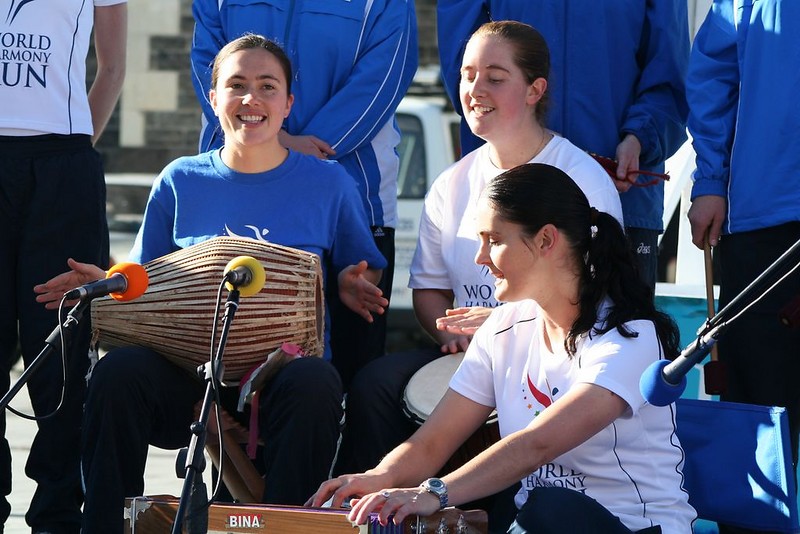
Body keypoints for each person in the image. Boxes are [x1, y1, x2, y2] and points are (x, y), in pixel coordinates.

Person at [34, 34, 388, 533]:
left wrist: (351, 282)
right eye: (236, 85)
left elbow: (362, 265)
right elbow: (143, 281)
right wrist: (105, 287)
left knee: (316, 383)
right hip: (188, 378)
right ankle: (106, 524)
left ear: (288, 104)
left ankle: (284, 524)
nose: (251, 99)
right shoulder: (181, 179)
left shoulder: (328, 183)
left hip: (278, 382)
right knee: (119, 372)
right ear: (214, 98)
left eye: (268, 87)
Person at [310, 163, 696, 533]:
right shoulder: (503, 328)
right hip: (539, 523)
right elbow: (430, 444)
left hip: (635, 527)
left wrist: (433, 493)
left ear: (546, 239)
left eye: (493, 241)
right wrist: (379, 479)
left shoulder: (630, 336)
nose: (480, 259)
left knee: (550, 506)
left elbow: (536, 445)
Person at [334, 21, 623, 485]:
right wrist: (449, 335)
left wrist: (504, 328)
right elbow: (429, 288)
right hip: (473, 356)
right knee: (375, 384)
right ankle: (366, 508)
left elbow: (597, 296)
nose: (474, 89)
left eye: (495, 76)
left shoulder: (581, 179)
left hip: (555, 357)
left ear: (535, 89)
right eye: (468, 75)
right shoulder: (453, 182)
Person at [190, 0, 418, 389]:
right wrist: (274, 141)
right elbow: (210, 68)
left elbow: (383, 78)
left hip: (356, 206)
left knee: (349, 380)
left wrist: (295, 148)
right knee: (225, 379)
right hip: (235, 198)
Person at [437, 0, 690, 290]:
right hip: (510, 200)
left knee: (617, 328)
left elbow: (670, 76)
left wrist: (640, 139)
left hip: (620, 203)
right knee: (500, 331)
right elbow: (466, 71)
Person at [0, 1, 127, 532]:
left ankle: (56, 514)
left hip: (63, 163)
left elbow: (113, 66)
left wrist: (75, 153)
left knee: (61, 348)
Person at [686, 1, 800, 531]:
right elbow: (714, 70)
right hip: (761, 219)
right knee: (758, 422)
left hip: (763, 214)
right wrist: (710, 179)